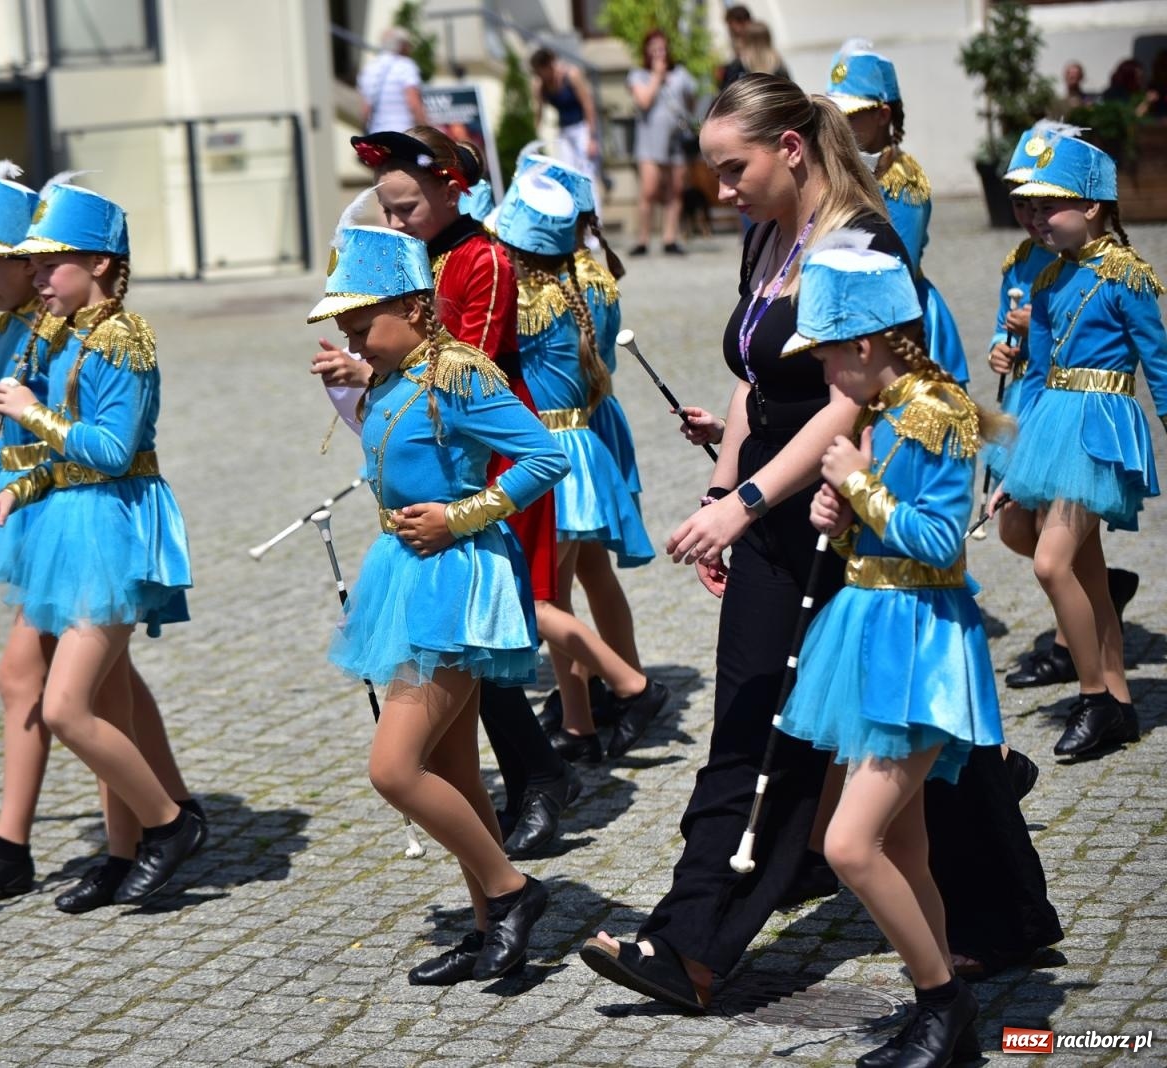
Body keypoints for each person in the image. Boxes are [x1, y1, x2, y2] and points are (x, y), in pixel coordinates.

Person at [577, 74, 914, 1013]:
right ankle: (1002, 898)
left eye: (736, 168)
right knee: (793, 721)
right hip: (771, 508)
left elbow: (852, 401)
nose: (721, 189)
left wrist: (750, 502)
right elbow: (750, 383)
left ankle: (691, 945)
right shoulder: (770, 233)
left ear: (794, 149)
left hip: (826, 515)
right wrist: (723, 484)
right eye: (715, 171)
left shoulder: (860, 244)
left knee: (770, 729)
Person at [308, 223, 568, 984]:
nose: (359, 342)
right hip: (407, 574)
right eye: (348, 330)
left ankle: (515, 892)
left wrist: (463, 514)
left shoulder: (461, 374)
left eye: (366, 327)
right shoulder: (392, 374)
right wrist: (358, 370)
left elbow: (547, 455)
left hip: (456, 580)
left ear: (419, 310)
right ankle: (491, 927)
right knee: (452, 771)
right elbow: (396, 422)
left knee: (394, 768)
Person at [316, 128, 584, 859]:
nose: (400, 223)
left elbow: (487, 373)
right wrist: (367, 372)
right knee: (455, 754)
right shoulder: (399, 329)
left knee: (415, 748)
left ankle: (533, 811)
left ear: (448, 189)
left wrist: (466, 507)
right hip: (415, 542)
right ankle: (495, 906)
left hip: (475, 467)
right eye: (391, 212)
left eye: (407, 209)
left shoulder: (478, 265)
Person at [775, 238, 1003, 1067]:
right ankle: (940, 1016)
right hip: (873, 630)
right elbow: (883, 533)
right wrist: (842, 521)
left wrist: (861, 486)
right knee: (904, 848)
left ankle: (947, 1007)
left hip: (920, 644)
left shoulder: (935, 412)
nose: (822, 370)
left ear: (865, 346)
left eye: (828, 352)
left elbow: (942, 541)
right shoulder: (884, 410)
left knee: (847, 846)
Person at [0, 179, 203, 904]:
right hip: (71, 520)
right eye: (33, 266)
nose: (37, 278)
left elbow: (109, 450)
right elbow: (65, 464)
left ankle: (168, 823)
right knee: (107, 700)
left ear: (101, 264)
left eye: (52, 264)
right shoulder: (66, 333)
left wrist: (35, 413)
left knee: (69, 707)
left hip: (113, 526)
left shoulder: (125, 337)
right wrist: (17, 489)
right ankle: (119, 852)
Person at [993, 131, 1166, 760]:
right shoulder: (1046, 281)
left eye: (1050, 205)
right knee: (1088, 577)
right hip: (1052, 428)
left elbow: (1161, 366)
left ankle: (1092, 694)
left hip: (1101, 430)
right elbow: (1037, 377)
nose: (1036, 217)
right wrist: (1015, 467)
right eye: (1029, 206)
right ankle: (1118, 701)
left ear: (1093, 205)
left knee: (1050, 563)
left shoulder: (1128, 277)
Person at [494, 167, 668, 763]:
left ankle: (586, 718)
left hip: (548, 451)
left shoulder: (521, 296)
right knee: (592, 576)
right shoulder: (591, 279)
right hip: (585, 440)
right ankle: (609, 699)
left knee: (547, 598)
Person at [825, 40, 970, 385]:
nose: (840, 125)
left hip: (897, 323)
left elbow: (897, 268)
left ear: (882, 115)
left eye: (852, 115)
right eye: (835, 114)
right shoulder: (843, 169)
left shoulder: (902, 182)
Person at [628, 29, 698, 256]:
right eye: (654, 48)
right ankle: (643, 239)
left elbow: (691, 100)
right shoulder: (639, 75)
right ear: (647, 51)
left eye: (663, 47)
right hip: (650, 142)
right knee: (649, 190)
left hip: (676, 141)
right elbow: (644, 101)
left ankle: (670, 238)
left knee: (675, 191)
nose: (660, 52)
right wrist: (657, 77)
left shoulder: (680, 74)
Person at [530, 48, 602, 213]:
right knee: (567, 176)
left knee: (586, 176)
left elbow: (588, 105)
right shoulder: (541, 85)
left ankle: (595, 226)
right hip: (564, 131)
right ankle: (577, 223)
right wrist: (534, 138)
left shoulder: (571, 75)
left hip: (581, 128)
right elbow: (539, 113)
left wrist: (592, 137)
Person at [357, 27, 426, 134]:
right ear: (401, 46)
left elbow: (365, 111)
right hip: (403, 134)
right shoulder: (406, 66)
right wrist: (426, 131)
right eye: (408, 44)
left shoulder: (369, 69)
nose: (410, 48)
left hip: (378, 136)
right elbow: (414, 104)